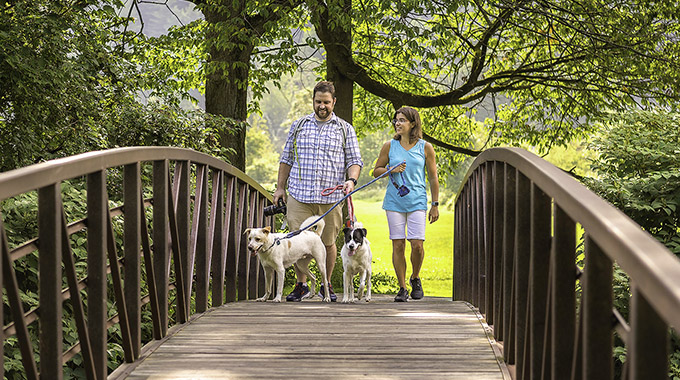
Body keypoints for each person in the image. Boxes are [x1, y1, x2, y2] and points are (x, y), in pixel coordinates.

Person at [273, 81, 363, 302]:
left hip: (330, 198)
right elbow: (286, 159)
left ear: (334, 102)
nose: (322, 106)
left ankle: (326, 284)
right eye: (318, 102)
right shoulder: (299, 125)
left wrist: (351, 180)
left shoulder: (344, 128)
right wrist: (280, 187)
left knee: (328, 243)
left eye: (326, 102)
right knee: (296, 241)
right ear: (313, 101)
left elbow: (355, 161)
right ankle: (301, 285)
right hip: (299, 195)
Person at [372, 106, 440, 302]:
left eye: (402, 120)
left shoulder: (425, 147)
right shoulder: (389, 146)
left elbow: (433, 178)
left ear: (413, 124)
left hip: (417, 200)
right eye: (396, 120)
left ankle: (415, 277)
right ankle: (402, 287)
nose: (398, 123)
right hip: (394, 202)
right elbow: (376, 170)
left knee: (417, 245)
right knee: (398, 244)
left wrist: (435, 204)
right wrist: (390, 169)